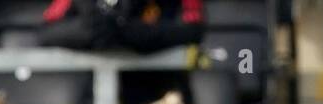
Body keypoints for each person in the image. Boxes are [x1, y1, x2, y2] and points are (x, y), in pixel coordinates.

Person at [38, 0, 205, 53]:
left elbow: (193, 29)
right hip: (91, 96)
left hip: (158, 90)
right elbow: (46, 32)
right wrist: (91, 29)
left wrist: (125, 30)